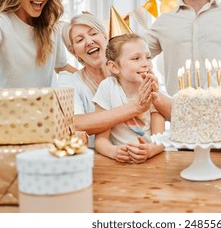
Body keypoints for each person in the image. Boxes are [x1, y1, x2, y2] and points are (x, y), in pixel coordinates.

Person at [58, 12, 170, 147]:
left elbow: (176, 117)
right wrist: (136, 107)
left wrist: (154, 94)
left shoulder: (134, 75)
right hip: (100, 158)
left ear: (105, 37)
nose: (89, 42)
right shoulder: (69, 81)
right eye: (80, 40)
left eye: (93, 33)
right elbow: (73, 124)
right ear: (73, 51)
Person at [93, 34, 165, 163]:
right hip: (120, 163)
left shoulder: (152, 88)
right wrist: (114, 152)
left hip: (152, 160)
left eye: (148, 57)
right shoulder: (108, 88)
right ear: (114, 67)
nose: (145, 64)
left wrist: (149, 150)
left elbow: (160, 139)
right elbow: (100, 140)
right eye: (136, 58)